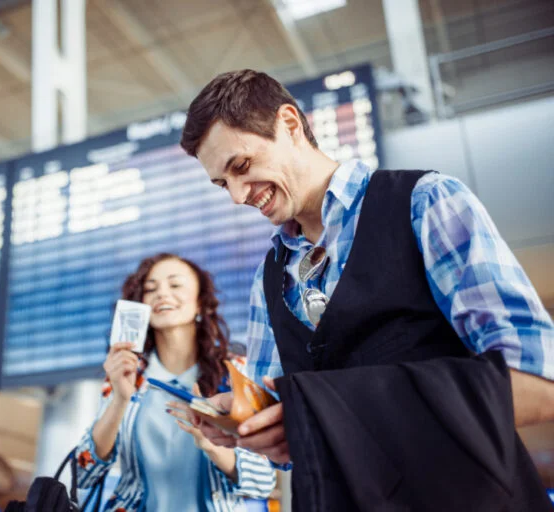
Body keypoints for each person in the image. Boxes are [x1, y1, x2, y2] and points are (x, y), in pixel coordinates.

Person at [179, 69, 554, 510]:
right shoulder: (269, 278)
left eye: (241, 166)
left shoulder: (424, 202)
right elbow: (289, 439)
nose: (238, 197)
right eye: (223, 184)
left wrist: (327, 413)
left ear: (291, 124)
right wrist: (247, 420)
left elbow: (539, 382)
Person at [74, 253, 276, 512]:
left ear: (201, 304)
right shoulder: (126, 375)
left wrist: (211, 444)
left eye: (175, 285)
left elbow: (262, 483)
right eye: (150, 289)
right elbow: (84, 473)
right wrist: (120, 400)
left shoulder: (236, 371)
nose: (162, 294)